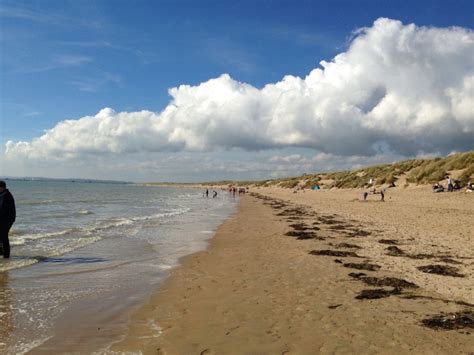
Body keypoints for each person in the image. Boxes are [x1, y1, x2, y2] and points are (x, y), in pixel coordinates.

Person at [0, 181, 16, 258]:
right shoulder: (3, 194)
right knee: (2, 236)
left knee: (4, 236)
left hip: (7, 219)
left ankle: (6, 255)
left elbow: (3, 209)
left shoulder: (5, 195)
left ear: (2, 187)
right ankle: (3, 252)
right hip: (6, 219)